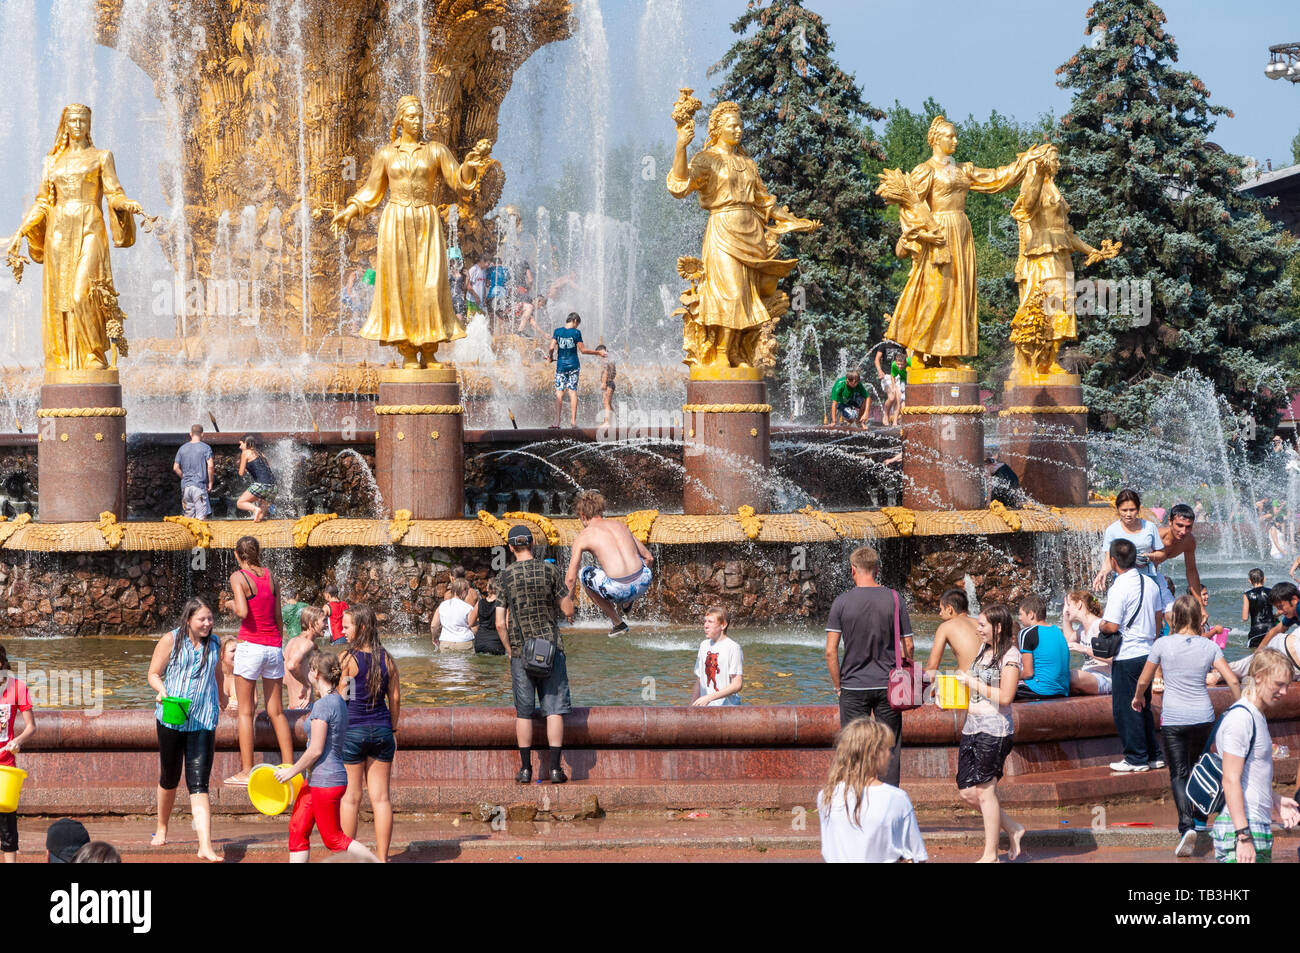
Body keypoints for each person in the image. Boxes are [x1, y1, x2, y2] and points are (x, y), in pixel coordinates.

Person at [328, 95, 489, 368]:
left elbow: (458, 182)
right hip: (395, 221)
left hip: (426, 219)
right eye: (411, 116)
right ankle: (406, 352)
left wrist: (469, 167)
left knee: (430, 285)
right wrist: (349, 211)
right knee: (400, 286)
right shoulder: (387, 154)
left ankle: (429, 349)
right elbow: (372, 191)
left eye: (420, 116)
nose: (417, 121)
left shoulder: (436, 151)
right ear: (400, 119)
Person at [4, 103, 145, 372]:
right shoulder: (51, 162)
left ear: (89, 124)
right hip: (58, 232)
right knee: (62, 299)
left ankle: (94, 354)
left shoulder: (102, 157)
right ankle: (66, 359)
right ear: (65, 125)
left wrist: (126, 204)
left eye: (83, 121)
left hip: (91, 226)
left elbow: (114, 192)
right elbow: (43, 202)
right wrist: (21, 231)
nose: (78, 126)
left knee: (83, 293)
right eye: (73, 121)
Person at [1132, 594, 1241, 855]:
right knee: (1198, 769)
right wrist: (1241, 708)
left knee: (1179, 773)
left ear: (1175, 617)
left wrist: (1137, 698)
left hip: (1174, 719)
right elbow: (1234, 681)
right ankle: (1200, 821)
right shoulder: (1209, 647)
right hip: (1203, 717)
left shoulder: (1162, 644)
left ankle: (1186, 825)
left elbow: (1144, 680)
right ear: (1196, 617)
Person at [274, 652, 381, 863]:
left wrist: (290, 771)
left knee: (334, 839)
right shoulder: (338, 700)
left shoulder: (323, 705)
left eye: (308, 668)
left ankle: (375, 862)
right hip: (318, 780)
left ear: (315, 672)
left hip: (325, 781)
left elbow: (315, 750)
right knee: (298, 828)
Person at [824, 546, 912, 787]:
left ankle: (856, 797)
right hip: (889, 686)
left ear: (853, 569)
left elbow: (831, 651)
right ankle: (889, 798)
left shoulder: (841, 602)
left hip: (853, 686)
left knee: (854, 746)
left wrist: (838, 687)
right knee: (889, 745)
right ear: (877, 569)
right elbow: (909, 646)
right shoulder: (895, 599)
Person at [495, 524, 575, 784]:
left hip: (521, 651)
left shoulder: (504, 577)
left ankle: (526, 770)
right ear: (532, 544)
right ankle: (555, 770)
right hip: (550, 648)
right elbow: (567, 609)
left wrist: (510, 650)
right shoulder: (550, 570)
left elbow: (499, 623)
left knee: (524, 712)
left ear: (510, 547)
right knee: (553, 709)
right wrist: (567, 608)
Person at [146, 597, 225, 861]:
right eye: (202, 619)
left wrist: (224, 698)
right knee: (169, 776)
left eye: (210, 618)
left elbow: (218, 672)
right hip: (172, 716)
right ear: (189, 619)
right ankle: (162, 828)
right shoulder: (171, 640)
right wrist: (162, 690)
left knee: (199, 783)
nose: (207, 623)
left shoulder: (215, 643)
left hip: (203, 720)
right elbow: (153, 673)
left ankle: (205, 845)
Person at [951, 604, 1026, 863]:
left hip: (995, 729)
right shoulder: (984, 650)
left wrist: (973, 682)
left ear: (999, 627)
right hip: (972, 725)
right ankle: (1013, 828)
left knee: (985, 790)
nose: (978, 629)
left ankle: (990, 854)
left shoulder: (1011, 656)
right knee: (967, 791)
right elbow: (978, 690)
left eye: (983, 625)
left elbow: (1006, 697)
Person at [1211, 649, 1300, 863]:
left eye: (1287, 685)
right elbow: (1230, 780)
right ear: (1258, 676)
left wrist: (1276, 800)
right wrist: (1243, 836)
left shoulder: (1255, 716)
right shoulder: (1241, 718)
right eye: (1278, 684)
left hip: (1255, 825)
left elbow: (1248, 778)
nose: (1284, 691)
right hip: (1240, 830)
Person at [224, 536, 293, 784]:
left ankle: (246, 771)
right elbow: (278, 616)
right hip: (273, 647)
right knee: (276, 711)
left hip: (250, 647)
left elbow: (243, 611)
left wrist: (231, 603)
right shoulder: (271, 576)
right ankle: (289, 767)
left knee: (246, 712)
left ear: (236, 554)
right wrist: (278, 644)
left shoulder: (238, 577)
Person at [817, 718, 928, 863]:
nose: (891, 755)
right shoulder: (896, 799)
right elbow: (917, 856)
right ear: (874, 753)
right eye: (889, 749)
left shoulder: (826, 795)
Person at [338, 606, 400, 864]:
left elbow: (343, 698)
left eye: (347, 626)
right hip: (382, 731)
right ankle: (383, 859)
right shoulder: (387, 659)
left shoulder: (347, 659)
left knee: (351, 797)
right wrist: (393, 730)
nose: (342, 630)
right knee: (382, 798)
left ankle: (348, 858)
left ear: (361, 628)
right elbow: (394, 699)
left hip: (353, 731)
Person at [1099, 538, 1164, 772]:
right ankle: (1153, 754)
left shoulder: (1120, 586)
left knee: (1127, 707)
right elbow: (1159, 618)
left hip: (1127, 654)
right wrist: (1151, 637)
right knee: (1144, 705)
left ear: (1113, 561)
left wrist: (1101, 625)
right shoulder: (1151, 583)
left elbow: (1112, 626)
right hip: (1148, 652)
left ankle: (1135, 758)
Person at [565, 490, 654, 637]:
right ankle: (627, 603)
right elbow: (649, 558)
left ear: (582, 515)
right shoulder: (621, 526)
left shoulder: (583, 537)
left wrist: (568, 604)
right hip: (644, 581)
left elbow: (570, 578)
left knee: (584, 574)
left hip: (617, 590)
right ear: (601, 509)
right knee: (634, 565)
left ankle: (618, 623)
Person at [0, 643, 35, 863]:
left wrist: (17, 740)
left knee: (7, 826)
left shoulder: (17, 688)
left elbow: (31, 727)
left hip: (5, 766)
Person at [1092, 489, 1165, 590]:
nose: (1128, 514)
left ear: (1138, 509)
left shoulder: (1150, 527)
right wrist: (1102, 572)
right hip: (1123, 581)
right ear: (1118, 509)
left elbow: (1161, 554)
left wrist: (1150, 556)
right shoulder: (1112, 530)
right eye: (1124, 510)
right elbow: (1109, 559)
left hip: (1148, 579)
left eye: (1132, 509)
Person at [549, 312, 599, 429]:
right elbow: (583, 350)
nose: (577, 326)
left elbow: (551, 347)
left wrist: (550, 357)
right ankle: (573, 422)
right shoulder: (576, 333)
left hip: (561, 367)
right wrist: (598, 353)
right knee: (572, 392)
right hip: (573, 366)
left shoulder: (557, 331)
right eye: (577, 324)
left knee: (559, 393)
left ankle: (557, 422)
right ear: (575, 321)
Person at [1015, 594, 1070, 699]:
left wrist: (1007, 676)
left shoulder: (1026, 633)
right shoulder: (1057, 630)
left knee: (997, 685)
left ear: (1031, 614)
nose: (1019, 618)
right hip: (1062, 691)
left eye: (1021, 614)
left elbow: (1028, 673)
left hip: (1039, 690)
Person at [1062, 590, 1112, 695]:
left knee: (1068, 676)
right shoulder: (1082, 629)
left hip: (1105, 678)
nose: (1066, 609)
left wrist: (1084, 649)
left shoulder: (1099, 626)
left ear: (1079, 604)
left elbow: (1112, 658)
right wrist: (1066, 619)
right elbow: (1068, 641)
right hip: (1089, 676)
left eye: (1068, 605)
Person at [691, 607, 743, 707]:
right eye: (705, 621)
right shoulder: (703, 645)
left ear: (723, 625)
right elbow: (699, 680)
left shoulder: (733, 647)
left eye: (710, 622)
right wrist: (690, 708)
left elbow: (737, 684)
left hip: (728, 708)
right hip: (705, 707)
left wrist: (709, 698)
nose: (705, 625)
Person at [924, 587, 982, 676]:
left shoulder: (945, 627)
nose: (940, 613)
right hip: (991, 683)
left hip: (967, 684)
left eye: (941, 609)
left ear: (949, 609)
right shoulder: (981, 623)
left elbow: (932, 667)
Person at [284, 605, 325, 710]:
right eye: (323, 621)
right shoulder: (307, 644)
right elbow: (292, 666)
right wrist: (307, 685)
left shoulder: (291, 642)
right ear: (311, 624)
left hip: (292, 707)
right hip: (305, 707)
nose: (326, 625)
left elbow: (284, 679)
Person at [1158, 503, 1202, 595]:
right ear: (1170, 522)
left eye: (1188, 527)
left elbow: (1191, 570)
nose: (1183, 531)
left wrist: (1200, 604)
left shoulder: (1189, 541)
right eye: (1180, 525)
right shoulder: (1157, 536)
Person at [173, 424, 213, 519]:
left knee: (188, 520)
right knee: (201, 519)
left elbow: (175, 467)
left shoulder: (182, 448)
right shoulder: (206, 448)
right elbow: (210, 466)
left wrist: (184, 477)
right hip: (199, 487)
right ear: (202, 434)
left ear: (190, 434)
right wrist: (210, 482)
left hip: (186, 488)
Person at [236, 433, 276, 522]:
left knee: (240, 503)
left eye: (240, 444)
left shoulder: (245, 452)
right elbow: (266, 468)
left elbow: (241, 473)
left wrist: (242, 467)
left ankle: (255, 509)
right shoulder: (260, 453)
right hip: (273, 487)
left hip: (262, 484)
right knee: (260, 517)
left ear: (246, 443)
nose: (239, 447)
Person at [431, 576, 478, 651]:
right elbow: (474, 628)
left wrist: (434, 638)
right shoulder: (468, 608)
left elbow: (434, 626)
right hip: (465, 643)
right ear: (463, 591)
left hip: (446, 643)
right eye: (467, 591)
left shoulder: (442, 605)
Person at [1244, 569, 1277, 649]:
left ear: (1249, 580)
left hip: (1256, 630)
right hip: (1270, 628)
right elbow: (1280, 610)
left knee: (1256, 655)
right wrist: (1274, 616)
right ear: (1264, 579)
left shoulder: (1247, 594)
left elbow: (1245, 617)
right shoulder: (1271, 591)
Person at [473, 579, 506, 655]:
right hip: (496, 643)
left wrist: (480, 624)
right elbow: (504, 625)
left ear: (488, 588)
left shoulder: (480, 603)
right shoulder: (502, 604)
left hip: (480, 643)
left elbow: (470, 622)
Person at [596, 344, 616, 428]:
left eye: (597, 354)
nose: (597, 357)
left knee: (606, 402)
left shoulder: (604, 360)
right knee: (608, 403)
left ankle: (607, 422)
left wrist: (604, 382)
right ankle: (611, 421)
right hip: (611, 383)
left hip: (608, 384)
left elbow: (606, 370)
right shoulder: (610, 360)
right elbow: (614, 373)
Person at [218, 635, 239, 713]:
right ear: (221, 654)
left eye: (238, 651)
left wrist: (243, 706)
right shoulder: (215, 676)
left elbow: (254, 701)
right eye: (233, 651)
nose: (237, 654)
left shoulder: (244, 675)